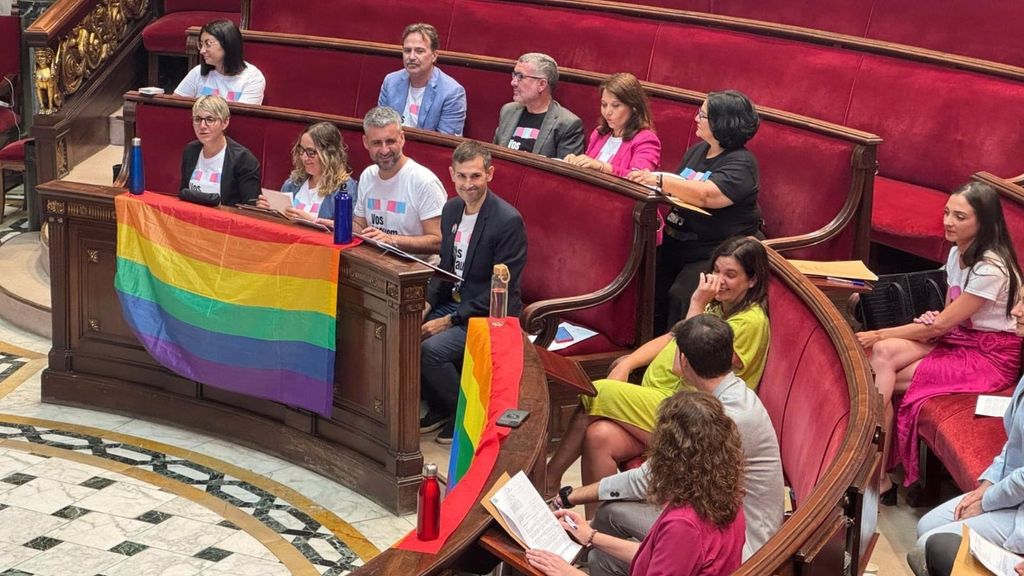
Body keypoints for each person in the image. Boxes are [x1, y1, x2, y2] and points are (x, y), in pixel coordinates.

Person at [545, 237, 771, 503]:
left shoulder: (751, 321)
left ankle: (548, 480)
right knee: (599, 436)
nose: (719, 280)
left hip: (692, 415)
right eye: (716, 271)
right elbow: (673, 336)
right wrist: (628, 362)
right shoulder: (718, 305)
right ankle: (595, 528)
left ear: (752, 280)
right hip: (662, 399)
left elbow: (689, 360)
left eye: (730, 275)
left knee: (598, 392)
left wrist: (696, 303)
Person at [552, 313, 782, 574]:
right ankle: (580, 553)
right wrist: (586, 529)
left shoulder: (718, 422)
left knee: (601, 557)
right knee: (607, 516)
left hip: (746, 548)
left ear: (683, 359)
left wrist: (567, 499)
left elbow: (647, 480)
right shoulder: (731, 397)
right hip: (721, 521)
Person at [857, 182, 1023, 500]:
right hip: (961, 339)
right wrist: (932, 321)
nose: (948, 222)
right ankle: (878, 477)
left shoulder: (991, 268)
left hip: (989, 357)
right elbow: (948, 314)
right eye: (947, 213)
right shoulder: (956, 251)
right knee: (881, 355)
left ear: (984, 223)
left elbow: (948, 321)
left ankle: (875, 473)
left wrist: (882, 331)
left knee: (880, 366)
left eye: (960, 217)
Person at [526, 390, 746, 576]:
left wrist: (571, 574)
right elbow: (658, 553)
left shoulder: (683, 525)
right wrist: (591, 536)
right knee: (599, 557)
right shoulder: (723, 491)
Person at [420, 140, 528, 444]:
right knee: (406, 332)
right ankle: (440, 406)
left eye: (476, 176)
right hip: (453, 303)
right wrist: (428, 303)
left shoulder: (507, 221)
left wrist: (449, 321)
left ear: (490, 174)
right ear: (452, 175)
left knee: (430, 350)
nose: (469, 185)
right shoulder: (452, 209)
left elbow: (501, 288)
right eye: (463, 177)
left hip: (487, 313)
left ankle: (464, 414)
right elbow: (445, 265)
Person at [627, 90, 761, 334]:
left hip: (712, 250)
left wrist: (658, 180)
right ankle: (642, 347)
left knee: (682, 294)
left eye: (703, 114)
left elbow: (705, 195)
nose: (696, 118)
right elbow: (681, 189)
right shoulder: (698, 150)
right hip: (675, 241)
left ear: (723, 122)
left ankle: (677, 357)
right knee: (641, 279)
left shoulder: (742, 163)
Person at [909, 295, 1024, 575]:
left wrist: (986, 501)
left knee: (930, 545)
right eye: (1019, 300)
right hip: (1010, 493)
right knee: (926, 526)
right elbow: (1014, 447)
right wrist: (986, 484)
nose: (1016, 310)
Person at [354, 106, 447, 258]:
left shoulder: (424, 181)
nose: (384, 150)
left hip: (418, 272)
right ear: (365, 142)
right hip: (376, 264)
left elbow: (439, 241)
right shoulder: (367, 175)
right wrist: (336, 226)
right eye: (377, 143)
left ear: (402, 138)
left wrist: (392, 240)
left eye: (390, 141)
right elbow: (360, 227)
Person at [257, 122, 358, 229]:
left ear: (329, 154)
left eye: (311, 152)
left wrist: (312, 221)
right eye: (302, 150)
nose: (304, 157)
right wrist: (269, 211)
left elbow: (346, 230)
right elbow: (280, 223)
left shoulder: (345, 188)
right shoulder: (293, 182)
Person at [563, 72, 660, 177]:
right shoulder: (599, 133)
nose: (607, 111)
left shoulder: (646, 140)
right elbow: (588, 168)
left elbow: (638, 179)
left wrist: (601, 167)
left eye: (616, 105)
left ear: (634, 107)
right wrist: (575, 163)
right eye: (604, 105)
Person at [378, 23, 467, 136]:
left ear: (434, 55)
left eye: (419, 51)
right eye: (407, 50)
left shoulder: (452, 92)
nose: (411, 57)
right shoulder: (391, 81)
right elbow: (379, 126)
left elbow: (445, 143)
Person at [493, 53, 585, 159]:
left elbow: (565, 171)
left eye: (520, 77)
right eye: (514, 75)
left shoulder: (567, 124)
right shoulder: (508, 111)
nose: (513, 82)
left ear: (541, 85)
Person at [179, 94, 260, 206]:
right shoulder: (190, 151)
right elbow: (184, 194)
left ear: (225, 122)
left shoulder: (243, 159)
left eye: (210, 119)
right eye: (197, 119)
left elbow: (250, 207)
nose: (202, 126)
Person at [174, 19, 266, 105]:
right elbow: (176, 106)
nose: (202, 51)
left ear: (227, 44)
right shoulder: (198, 72)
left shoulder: (253, 78)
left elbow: (243, 118)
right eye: (201, 44)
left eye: (208, 44)